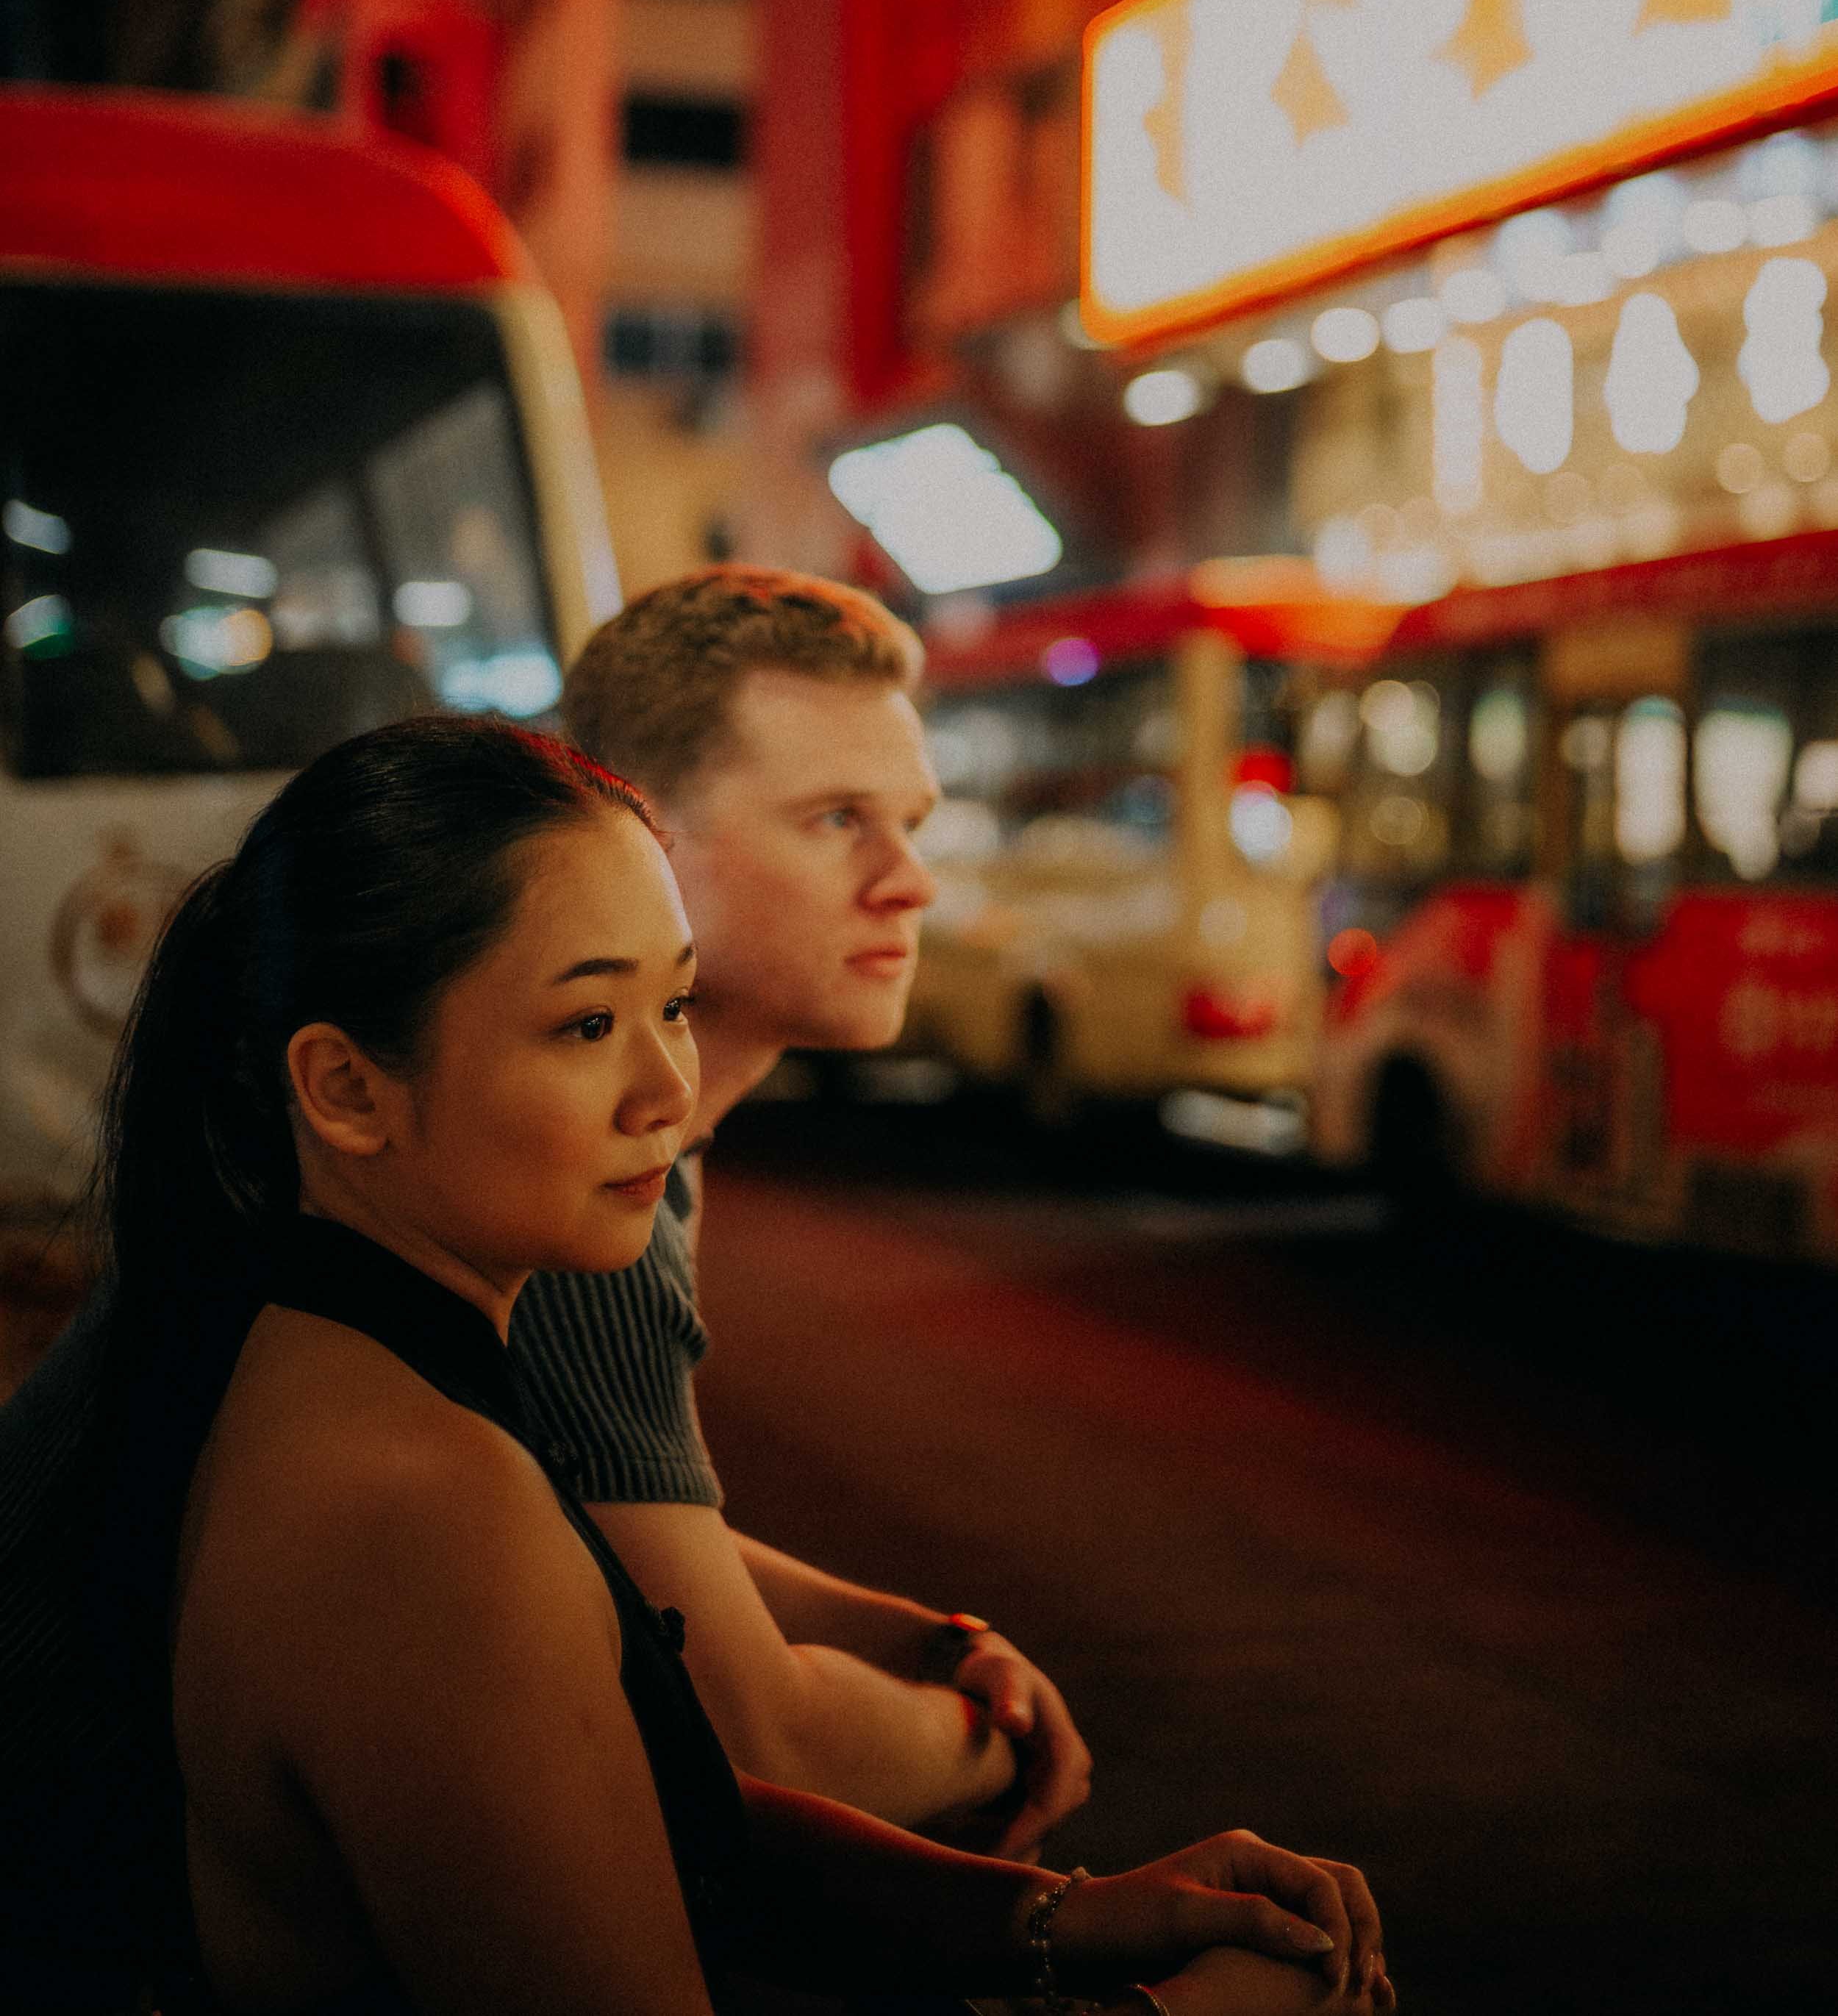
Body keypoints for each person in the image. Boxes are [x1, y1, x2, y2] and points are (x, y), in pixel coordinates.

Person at [30, 714, 1392, 2016]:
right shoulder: (425, 1511)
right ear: (343, 1089)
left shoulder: (306, 1341)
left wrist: (1056, 1921)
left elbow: (640, 1815)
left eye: (673, 1005)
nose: (666, 1089)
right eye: (584, 1025)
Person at [507, 566, 1084, 1854]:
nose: (910, 884)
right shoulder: (577, 1168)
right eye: (835, 820)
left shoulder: (628, 1105)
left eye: (914, 823)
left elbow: (623, 1526)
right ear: (636, 838)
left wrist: (934, 1641)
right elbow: (752, 1736)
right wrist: (999, 1750)